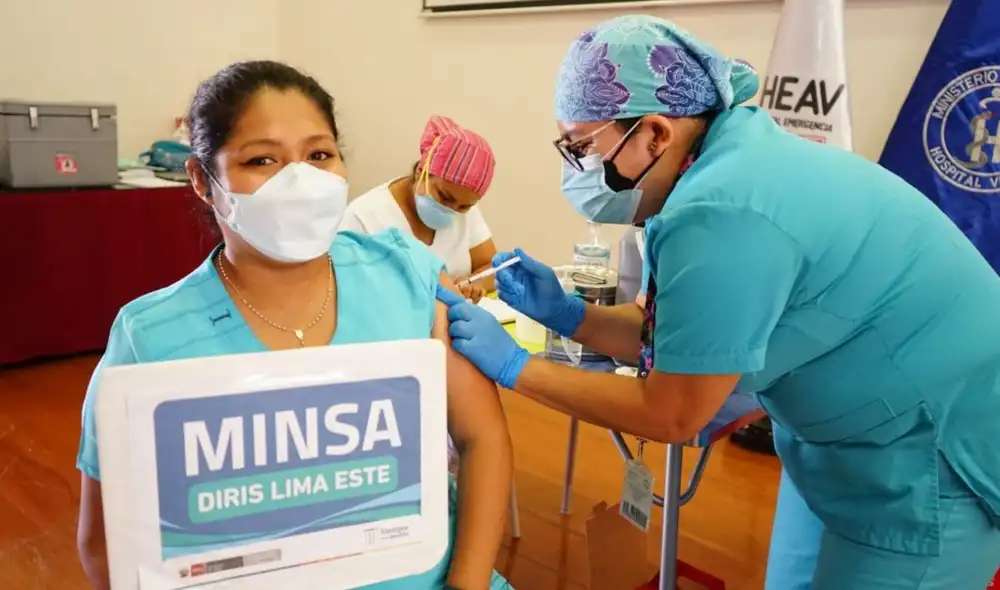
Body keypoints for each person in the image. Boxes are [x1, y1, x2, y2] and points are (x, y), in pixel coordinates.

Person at [436, 15, 1000, 590]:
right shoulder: (716, 168)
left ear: (655, 133)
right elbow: (679, 337)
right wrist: (568, 315)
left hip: (930, 460)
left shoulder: (722, 211)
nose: (575, 169)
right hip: (845, 445)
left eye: (581, 147)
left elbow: (673, 412)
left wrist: (515, 367)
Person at [75, 60, 513, 590]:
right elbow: (105, 545)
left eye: (319, 155)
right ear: (202, 180)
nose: (299, 180)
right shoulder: (151, 338)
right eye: (262, 159)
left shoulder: (407, 277)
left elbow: (481, 437)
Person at [339, 115, 498, 303]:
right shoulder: (363, 217)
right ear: (421, 171)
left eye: (464, 207)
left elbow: (491, 267)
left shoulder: (463, 206)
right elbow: (345, 293)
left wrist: (474, 284)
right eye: (444, 197)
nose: (452, 210)